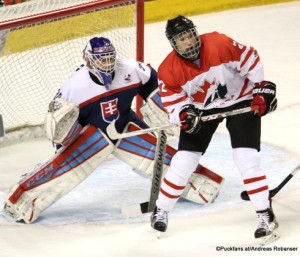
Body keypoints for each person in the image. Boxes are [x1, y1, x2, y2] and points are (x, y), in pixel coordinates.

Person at [3, 36, 224, 223]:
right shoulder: (74, 88)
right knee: (62, 170)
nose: (108, 63)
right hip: (92, 136)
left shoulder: (130, 69)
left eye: (110, 57)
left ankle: (202, 186)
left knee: (160, 156)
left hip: (125, 125)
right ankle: (20, 199)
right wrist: (64, 149)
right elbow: (60, 128)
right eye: (102, 59)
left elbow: (153, 82)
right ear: (88, 60)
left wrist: (165, 107)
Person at [151, 15, 278, 244]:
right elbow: (173, 102)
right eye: (181, 39)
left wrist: (261, 91)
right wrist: (185, 115)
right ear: (173, 44)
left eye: (189, 35)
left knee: (245, 158)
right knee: (184, 160)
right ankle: (161, 210)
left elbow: (251, 59)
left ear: (195, 33)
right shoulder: (168, 70)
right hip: (201, 109)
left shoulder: (219, 44)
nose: (188, 42)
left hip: (241, 99)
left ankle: (265, 215)